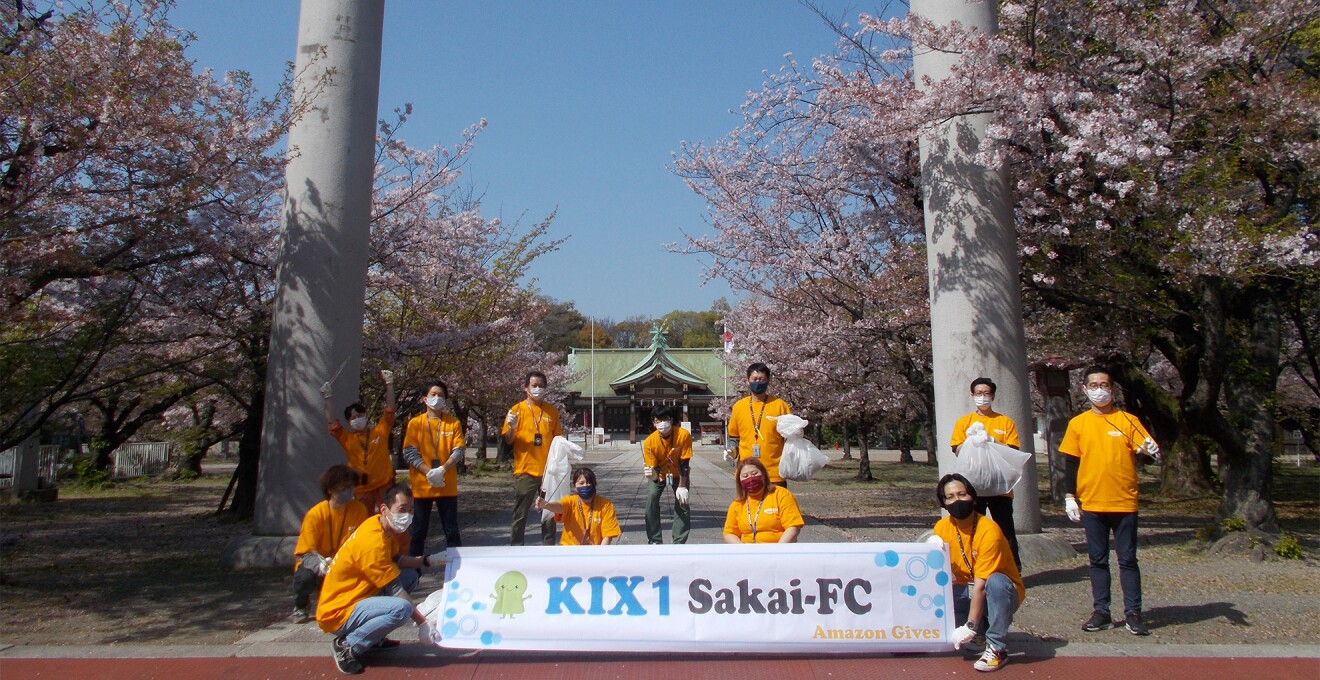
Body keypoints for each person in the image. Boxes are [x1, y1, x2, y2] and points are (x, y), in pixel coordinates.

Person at [1059, 366, 1158, 636]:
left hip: (1124, 503)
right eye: (1094, 385)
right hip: (1092, 503)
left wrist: (1149, 452)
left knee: (1127, 560)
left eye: (1104, 385)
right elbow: (1070, 462)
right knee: (1097, 560)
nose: (1099, 390)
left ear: (1112, 389)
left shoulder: (1128, 420)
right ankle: (1101, 610)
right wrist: (1070, 497)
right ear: (1084, 390)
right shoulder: (1078, 424)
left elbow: (1147, 452)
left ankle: (1133, 613)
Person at [316, 483, 449, 675]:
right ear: (385, 509)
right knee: (401, 609)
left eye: (411, 510)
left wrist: (427, 561)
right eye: (402, 509)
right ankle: (347, 644)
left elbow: (395, 559)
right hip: (339, 611)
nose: (407, 516)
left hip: (356, 597)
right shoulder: (373, 542)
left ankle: (374, 637)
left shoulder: (379, 525)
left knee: (409, 576)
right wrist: (423, 623)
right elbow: (395, 589)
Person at [932, 473, 1026, 673]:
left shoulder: (989, 530)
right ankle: (979, 633)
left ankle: (996, 646)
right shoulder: (941, 528)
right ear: (944, 502)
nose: (957, 500)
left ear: (973, 498)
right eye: (950, 497)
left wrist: (970, 625)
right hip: (967, 589)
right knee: (940, 591)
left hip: (999, 590)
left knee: (996, 582)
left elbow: (982, 583)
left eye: (962, 494)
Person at [950, 377, 1023, 569]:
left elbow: (1013, 450)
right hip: (973, 486)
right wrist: (970, 442)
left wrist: (991, 440)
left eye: (986, 393)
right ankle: (974, 568)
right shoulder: (964, 422)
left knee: (1005, 530)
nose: (983, 397)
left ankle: (1013, 570)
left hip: (1000, 487)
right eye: (979, 393)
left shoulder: (1005, 422)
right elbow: (956, 449)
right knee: (973, 528)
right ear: (972, 395)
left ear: (993, 395)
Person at [292, 465, 370, 623]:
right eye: (343, 488)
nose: (348, 492)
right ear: (330, 490)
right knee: (304, 577)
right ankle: (301, 605)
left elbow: (364, 541)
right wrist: (321, 566)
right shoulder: (315, 514)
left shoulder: (359, 509)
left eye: (350, 487)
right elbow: (305, 552)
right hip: (319, 565)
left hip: (346, 564)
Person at [402, 379, 465, 558]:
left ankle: (457, 571)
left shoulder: (453, 423)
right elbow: (409, 452)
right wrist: (428, 472)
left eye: (441, 395)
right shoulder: (415, 423)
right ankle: (413, 572)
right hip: (422, 487)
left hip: (447, 485)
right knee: (419, 532)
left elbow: (459, 450)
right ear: (425, 399)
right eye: (433, 395)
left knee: (452, 532)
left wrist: (442, 470)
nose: (437, 398)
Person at [502, 370, 563, 546]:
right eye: (534, 386)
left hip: (548, 471)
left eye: (541, 386)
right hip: (525, 469)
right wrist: (512, 427)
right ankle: (516, 547)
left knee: (548, 512)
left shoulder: (551, 411)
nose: (538, 389)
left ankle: (548, 546)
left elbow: (558, 439)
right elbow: (508, 440)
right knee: (520, 513)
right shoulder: (516, 410)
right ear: (526, 388)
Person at [322, 369, 397, 510]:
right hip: (361, 489)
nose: (357, 419)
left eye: (360, 415)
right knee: (364, 523)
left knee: (390, 521)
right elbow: (332, 422)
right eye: (353, 417)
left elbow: (390, 409)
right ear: (348, 421)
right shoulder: (347, 438)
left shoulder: (380, 430)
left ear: (365, 415)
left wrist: (389, 383)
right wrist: (327, 397)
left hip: (384, 485)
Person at [724, 362, 793, 488]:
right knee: (749, 507)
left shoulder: (780, 405)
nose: (758, 382)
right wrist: (731, 450)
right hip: (747, 473)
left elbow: (790, 437)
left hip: (774, 473)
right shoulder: (739, 407)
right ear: (748, 380)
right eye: (754, 379)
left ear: (768, 381)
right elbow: (734, 436)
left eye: (762, 379)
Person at [641, 405, 692, 544]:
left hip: (680, 474)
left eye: (665, 419)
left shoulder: (683, 435)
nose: (662, 423)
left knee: (683, 502)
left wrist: (682, 486)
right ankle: (655, 539)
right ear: (653, 423)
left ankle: (679, 540)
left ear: (671, 419)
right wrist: (652, 475)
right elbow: (654, 468)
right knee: (651, 499)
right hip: (661, 474)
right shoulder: (649, 442)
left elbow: (684, 463)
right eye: (657, 421)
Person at [723, 458, 804, 544]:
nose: (750, 478)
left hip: (778, 550)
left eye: (754, 473)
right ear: (740, 481)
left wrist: (778, 551)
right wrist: (744, 551)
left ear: (764, 474)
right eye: (745, 476)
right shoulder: (737, 504)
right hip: (748, 553)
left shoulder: (781, 494)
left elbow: (793, 526)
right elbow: (729, 533)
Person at [535, 466, 621, 546]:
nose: (585, 485)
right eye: (581, 483)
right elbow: (559, 507)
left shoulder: (606, 505)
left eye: (589, 482)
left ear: (594, 484)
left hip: (595, 551)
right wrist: (546, 505)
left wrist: (600, 554)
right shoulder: (570, 501)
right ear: (575, 487)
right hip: (569, 550)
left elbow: (608, 535)